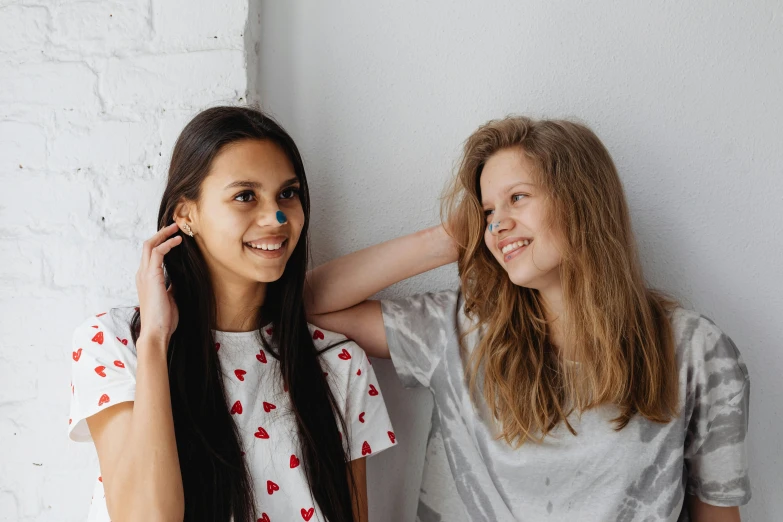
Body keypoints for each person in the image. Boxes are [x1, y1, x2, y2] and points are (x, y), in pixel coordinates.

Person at [305, 116, 750, 522]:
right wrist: (449, 238)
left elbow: (717, 514)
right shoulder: (459, 328)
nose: (497, 225)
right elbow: (308, 304)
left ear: (582, 202)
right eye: (488, 212)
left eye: (518, 198)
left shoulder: (695, 350)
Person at [68, 106, 396, 522]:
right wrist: (154, 338)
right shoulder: (113, 343)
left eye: (287, 193)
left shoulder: (337, 363)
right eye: (245, 196)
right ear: (186, 215)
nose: (275, 218)